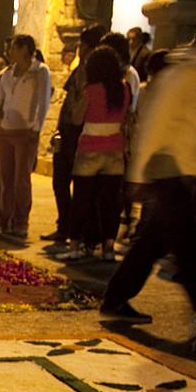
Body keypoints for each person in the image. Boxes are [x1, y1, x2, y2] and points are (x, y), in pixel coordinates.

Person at [98, 16, 196, 323]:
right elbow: (155, 125)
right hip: (171, 173)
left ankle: (115, 298)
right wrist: (137, 174)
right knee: (188, 248)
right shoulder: (180, 76)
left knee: (156, 242)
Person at [0, 35, 54, 237]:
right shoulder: (7, 73)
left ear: (24, 49)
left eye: (13, 48)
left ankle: (21, 221)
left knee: (21, 180)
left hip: (25, 131)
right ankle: (5, 219)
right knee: (6, 178)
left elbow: (43, 101)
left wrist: (36, 127)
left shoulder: (39, 71)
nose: (9, 52)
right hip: (6, 129)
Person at [65, 46, 130, 262]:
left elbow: (76, 118)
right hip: (114, 150)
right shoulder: (124, 89)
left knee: (82, 199)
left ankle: (75, 245)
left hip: (90, 148)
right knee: (110, 202)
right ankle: (108, 247)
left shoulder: (91, 90)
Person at [47, 26, 108, 247]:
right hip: (68, 130)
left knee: (77, 185)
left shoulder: (95, 73)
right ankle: (66, 226)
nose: (79, 50)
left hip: (80, 133)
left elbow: (80, 107)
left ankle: (75, 230)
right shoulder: (80, 68)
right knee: (61, 181)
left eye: (82, 46)